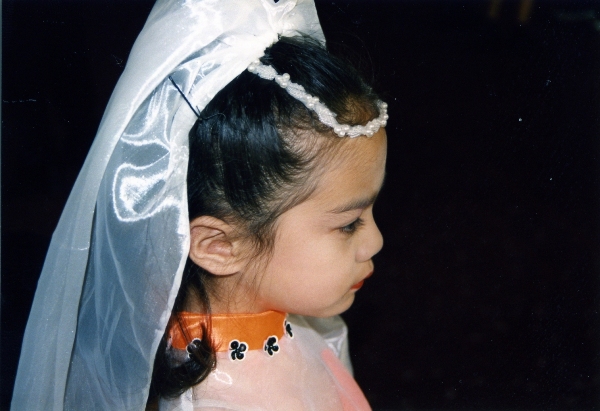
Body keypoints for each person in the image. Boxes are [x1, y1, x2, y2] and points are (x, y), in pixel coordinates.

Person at [11, 1, 388, 410]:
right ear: (219, 246)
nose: (376, 241)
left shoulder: (286, 318)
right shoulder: (222, 401)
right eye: (349, 223)